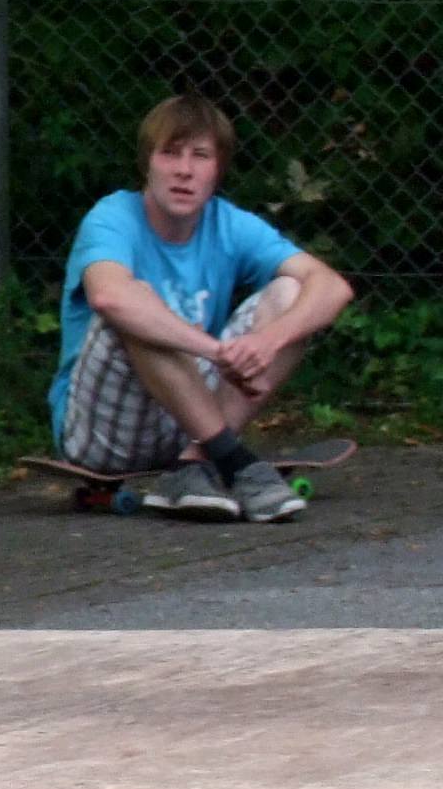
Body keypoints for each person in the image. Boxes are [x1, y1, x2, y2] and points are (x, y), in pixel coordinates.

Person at [49, 95, 354, 521]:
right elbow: (109, 296)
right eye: (170, 153)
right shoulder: (113, 216)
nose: (184, 170)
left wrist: (267, 342)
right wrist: (214, 350)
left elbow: (332, 287)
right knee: (136, 304)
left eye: (200, 156)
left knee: (290, 294)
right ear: (147, 162)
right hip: (104, 432)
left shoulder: (228, 223)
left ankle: (194, 463)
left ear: (218, 169)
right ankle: (234, 459)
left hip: (187, 419)